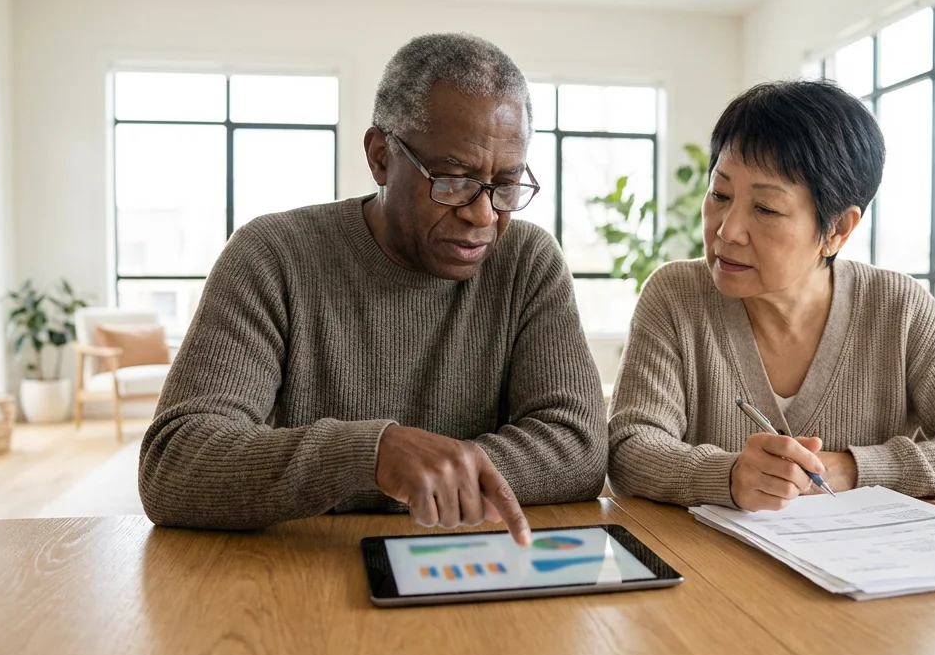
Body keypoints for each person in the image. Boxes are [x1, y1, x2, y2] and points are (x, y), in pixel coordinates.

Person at [139, 33, 608, 542]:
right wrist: (371, 455)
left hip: (465, 563)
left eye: (507, 186)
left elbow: (578, 448)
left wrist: (427, 475)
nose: (482, 214)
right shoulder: (273, 256)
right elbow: (175, 461)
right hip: (301, 574)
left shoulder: (526, 262)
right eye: (452, 180)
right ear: (381, 156)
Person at [607, 80, 935, 512]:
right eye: (720, 195)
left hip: (863, 572)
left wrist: (852, 470)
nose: (727, 230)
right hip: (712, 572)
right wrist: (728, 475)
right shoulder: (676, 295)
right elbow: (628, 450)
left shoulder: (896, 307)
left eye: (765, 209)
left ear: (837, 229)